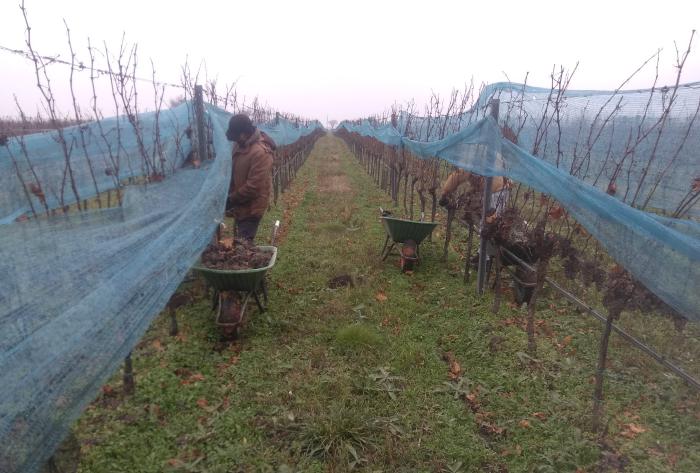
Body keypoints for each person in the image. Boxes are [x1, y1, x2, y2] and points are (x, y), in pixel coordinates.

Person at [225, 114, 276, 242]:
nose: (235, 140)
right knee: (240, 242)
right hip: (240, 204)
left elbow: (254, 187)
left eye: (237, 136)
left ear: (244, 133)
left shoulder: (261, 153)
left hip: (252, 207)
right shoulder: (239, 145)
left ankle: (246, 260)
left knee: (243, 244)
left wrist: (231, 200)